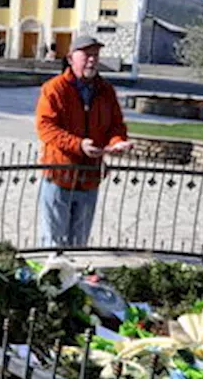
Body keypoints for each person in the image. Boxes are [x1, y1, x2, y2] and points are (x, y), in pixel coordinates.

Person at [35, 33, 132, 247]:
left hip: (89, 177)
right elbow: (46, 127)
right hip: (60, 175)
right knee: (53, 242)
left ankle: (73, 278)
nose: (92, 59)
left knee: (79, 242)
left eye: (96, 55)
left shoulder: (106, 91)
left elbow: (116, 125)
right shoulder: (54, 89)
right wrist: (78, 145)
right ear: (70, 58)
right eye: (86, 55)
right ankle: (51, 277)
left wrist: (117, 141)